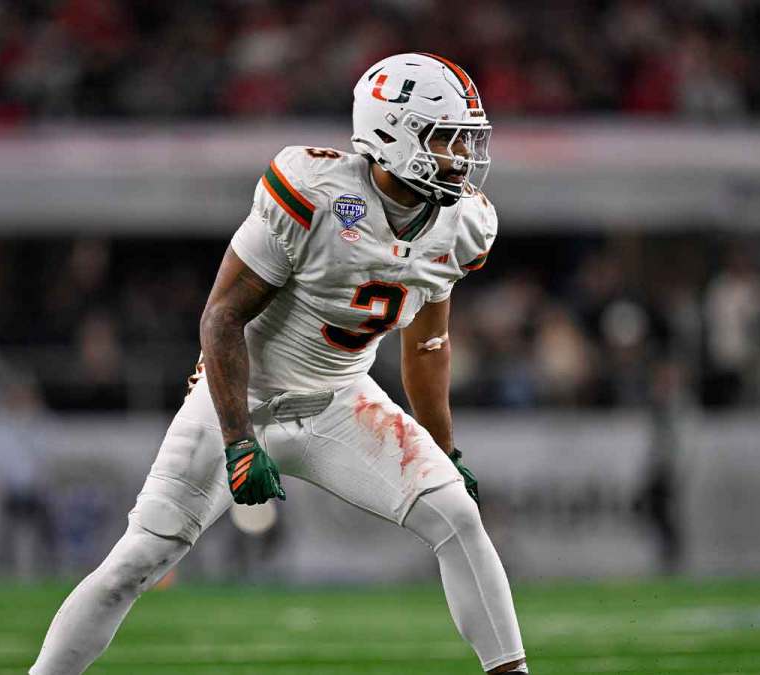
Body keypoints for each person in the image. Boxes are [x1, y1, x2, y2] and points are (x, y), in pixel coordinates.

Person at [30, 53, 528, 674]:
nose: (461, 154)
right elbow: (221, 317)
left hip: (342, 401)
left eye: (465, 138)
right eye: (445, 137)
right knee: (137, 562)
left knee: (457, 515)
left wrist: (443, 447)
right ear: (392, 133)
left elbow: (429, 342)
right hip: (242, 398)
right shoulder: (314, 190)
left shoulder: (465, 223)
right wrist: (239, 441)